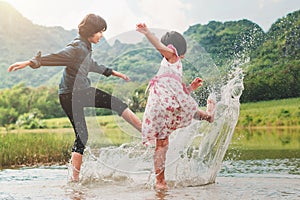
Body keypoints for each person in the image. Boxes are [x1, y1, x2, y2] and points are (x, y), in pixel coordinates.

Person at [8, 13, 142, 182]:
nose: (102, 35)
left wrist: (113, 72)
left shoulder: (84, 48)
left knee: (82, 136)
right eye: (100, 31)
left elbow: (90, 65)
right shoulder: (77, 47)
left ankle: (73, 181)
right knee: (118, 104)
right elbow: (57, 57)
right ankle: (146, 133)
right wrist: (31, 62)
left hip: (67, 95)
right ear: (90, 31)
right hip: (77, 93)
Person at [136, 23, 215, 190]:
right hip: (161, 106)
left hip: (163, 105)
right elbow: (158, 45)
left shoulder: (173, 62)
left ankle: (160, 181)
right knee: (163, 143)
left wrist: (191, 88)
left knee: (162, 143)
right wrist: (147, 33)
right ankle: (160, 181)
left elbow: (180, 90)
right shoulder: (171, 56)